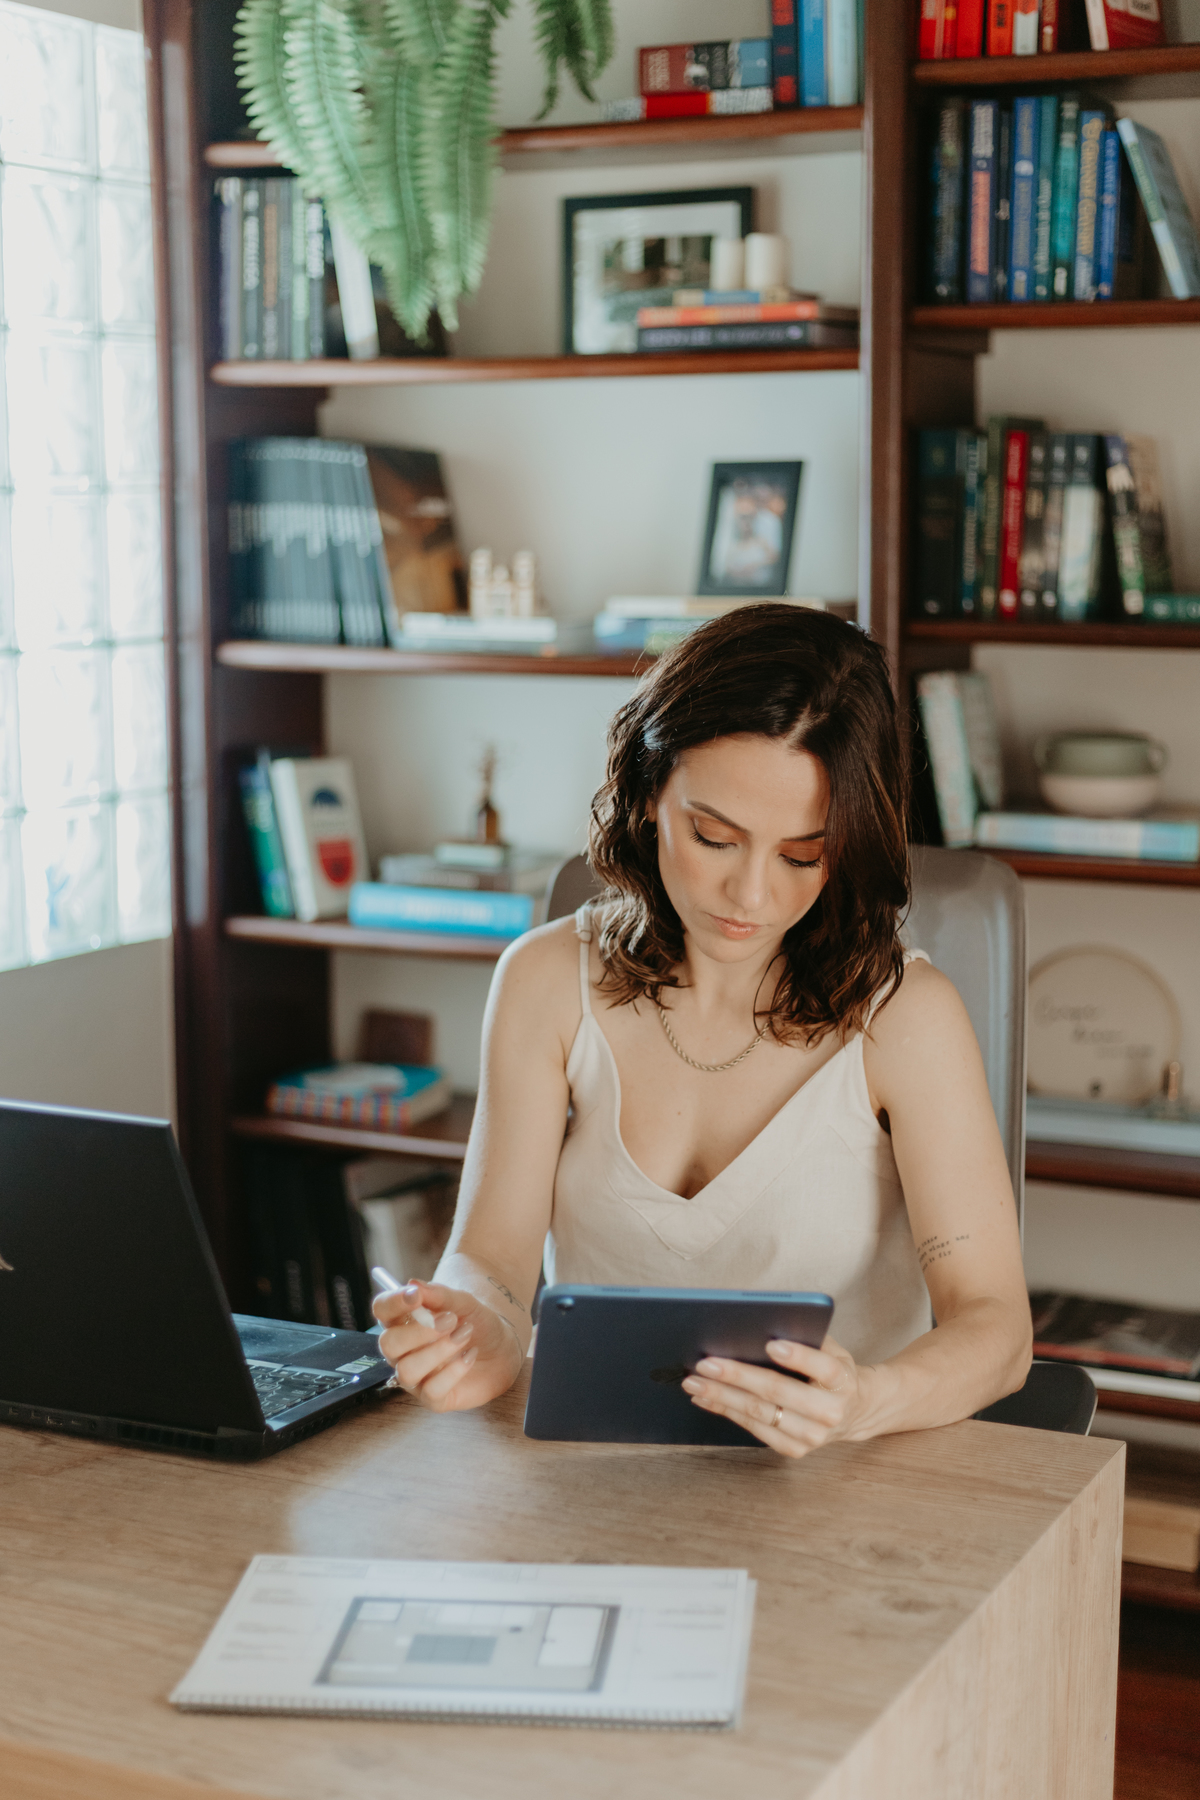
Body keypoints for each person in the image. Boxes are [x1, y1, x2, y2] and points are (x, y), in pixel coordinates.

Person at [374, 605, 1032, 1457]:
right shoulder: (544, 983)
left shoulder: (904, 1017)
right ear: (650, 796)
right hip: (591, 1470)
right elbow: (492, 1266)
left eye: (802, 854)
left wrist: (867, 1399)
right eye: (714, 837)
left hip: (840, 1483)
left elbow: (997, 1328)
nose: (751, 895)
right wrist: (471, 1332)